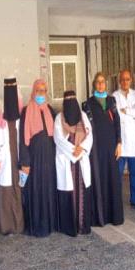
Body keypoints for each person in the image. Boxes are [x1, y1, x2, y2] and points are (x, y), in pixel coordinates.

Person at [83, 72, 124, 226]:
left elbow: (117, 122)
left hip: (111, 146)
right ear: (94, 84)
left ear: (106, 84)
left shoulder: (111, 101)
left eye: (103, 82)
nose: (101, 85)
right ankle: (100, 217)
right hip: (96, 148)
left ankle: (114, 216)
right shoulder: (87, 104)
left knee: (112, 178)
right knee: (99, 178)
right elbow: (86, 127)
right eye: (98, 82)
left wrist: (119, 143)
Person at [19, 79, 57, 237]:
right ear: (33, 91)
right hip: (34, 159)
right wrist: (25, 162)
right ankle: (37, 227)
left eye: (44, 91)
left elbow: (56, 135)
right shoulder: (26, 111)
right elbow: (23, 139)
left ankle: (49, 224)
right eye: (38, 90)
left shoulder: (50, 110)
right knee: (36, 191)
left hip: (49, 158)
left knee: (49, 190)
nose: (41, 94)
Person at [54, 91, 94, 236]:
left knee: (82, 192)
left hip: (81, 158)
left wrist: (81, 148)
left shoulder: (83, 116)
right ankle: (70, 227)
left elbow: (90, 135)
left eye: (73, 99)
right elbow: (58, 139)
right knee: (69, 193)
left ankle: (83, 225)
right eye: (68, 100)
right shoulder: (59, 118)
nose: (70, 103)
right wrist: (73, 151)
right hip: (67, 159)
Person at [0, 77, 24, 234]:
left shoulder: (21, 106)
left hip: (17, 156)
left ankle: (19, 225)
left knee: (17, 190)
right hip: (5, 158)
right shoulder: (1, 106)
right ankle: (7, 226)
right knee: (6, 192)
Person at [112, 70, 135, 211]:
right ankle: (116, 202)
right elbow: (115, 115)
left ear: (131, 80)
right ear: (119, 81)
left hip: (133, 143)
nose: (125, 82)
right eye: (123, 79)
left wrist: (127, 111)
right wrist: (130, 112)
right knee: (117, 174)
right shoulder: (114, 96)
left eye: (127, 79)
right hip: (120, 143)